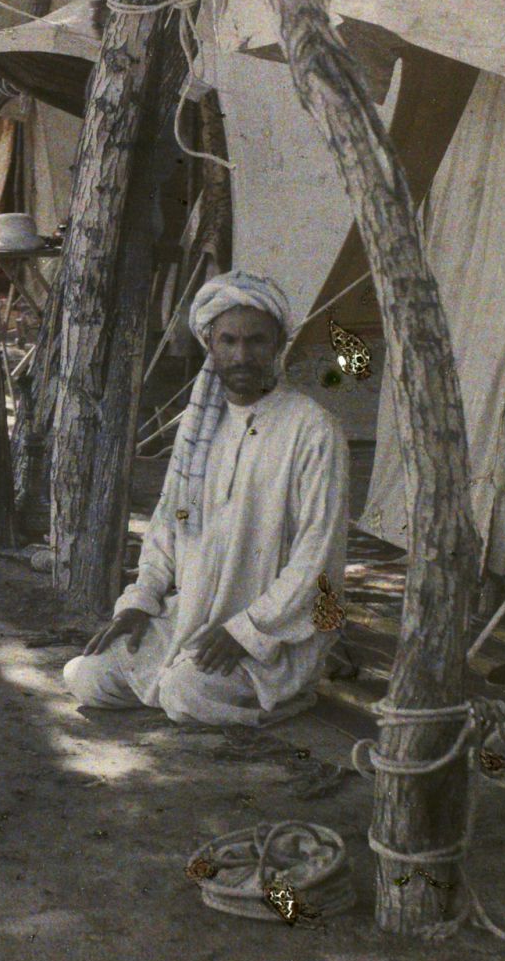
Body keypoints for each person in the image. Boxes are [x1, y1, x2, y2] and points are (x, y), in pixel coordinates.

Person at [61, 270, 348, 726]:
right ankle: (186, 675)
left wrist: (246, 631)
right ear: (209, 345)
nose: (241, 355)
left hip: (272, 635)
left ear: (277, 345)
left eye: (256, 341)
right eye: (228, 340)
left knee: (183, 692)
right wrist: (139, 602)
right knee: (85, 676)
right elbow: (165, 530)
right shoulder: (200, 428)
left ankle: (293, 689)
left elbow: (319, 555)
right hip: (191, 618)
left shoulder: (312, 430)